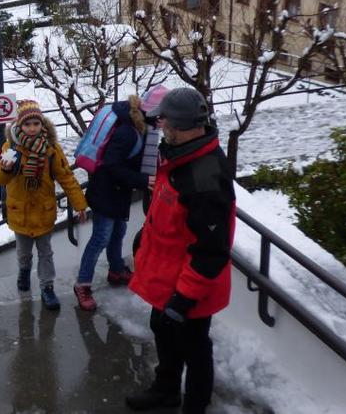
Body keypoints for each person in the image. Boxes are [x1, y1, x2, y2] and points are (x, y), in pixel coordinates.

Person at [125, 88, 235, 414]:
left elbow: (212, 250)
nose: (159, 125)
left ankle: (194, 407)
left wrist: (183, 299)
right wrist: (147, 236)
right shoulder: (179, 155)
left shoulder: (204, 177)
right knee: (163, 331)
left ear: (180, 124)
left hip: (188, 288)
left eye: (164, 119)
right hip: (167, 278)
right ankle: (166, 389)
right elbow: (172, 213)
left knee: (195, 349)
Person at [73, 86, 168, 312]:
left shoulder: (144, 126)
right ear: (154, 113)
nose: (166, 122)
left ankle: (116, 270)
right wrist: (143, 180)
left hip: (119, 191)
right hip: (107, 191)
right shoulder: (128, 131)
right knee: (101, 238)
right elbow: (111, 166)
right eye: (165, 116)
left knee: (119, 233)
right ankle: (82, 284)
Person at [0, 100, 87, 310]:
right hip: (20, 213)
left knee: (46, 253)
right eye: (28, 124)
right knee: (23, 253)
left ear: (42, 124)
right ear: (20, 126)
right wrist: (6, 169)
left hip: (43, 211)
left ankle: (47, 287)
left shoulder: (51, 149)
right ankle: (24, 272)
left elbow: (66, 177)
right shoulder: (10, 147)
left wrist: (79, 203)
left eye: (36, 123)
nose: (32, 128)